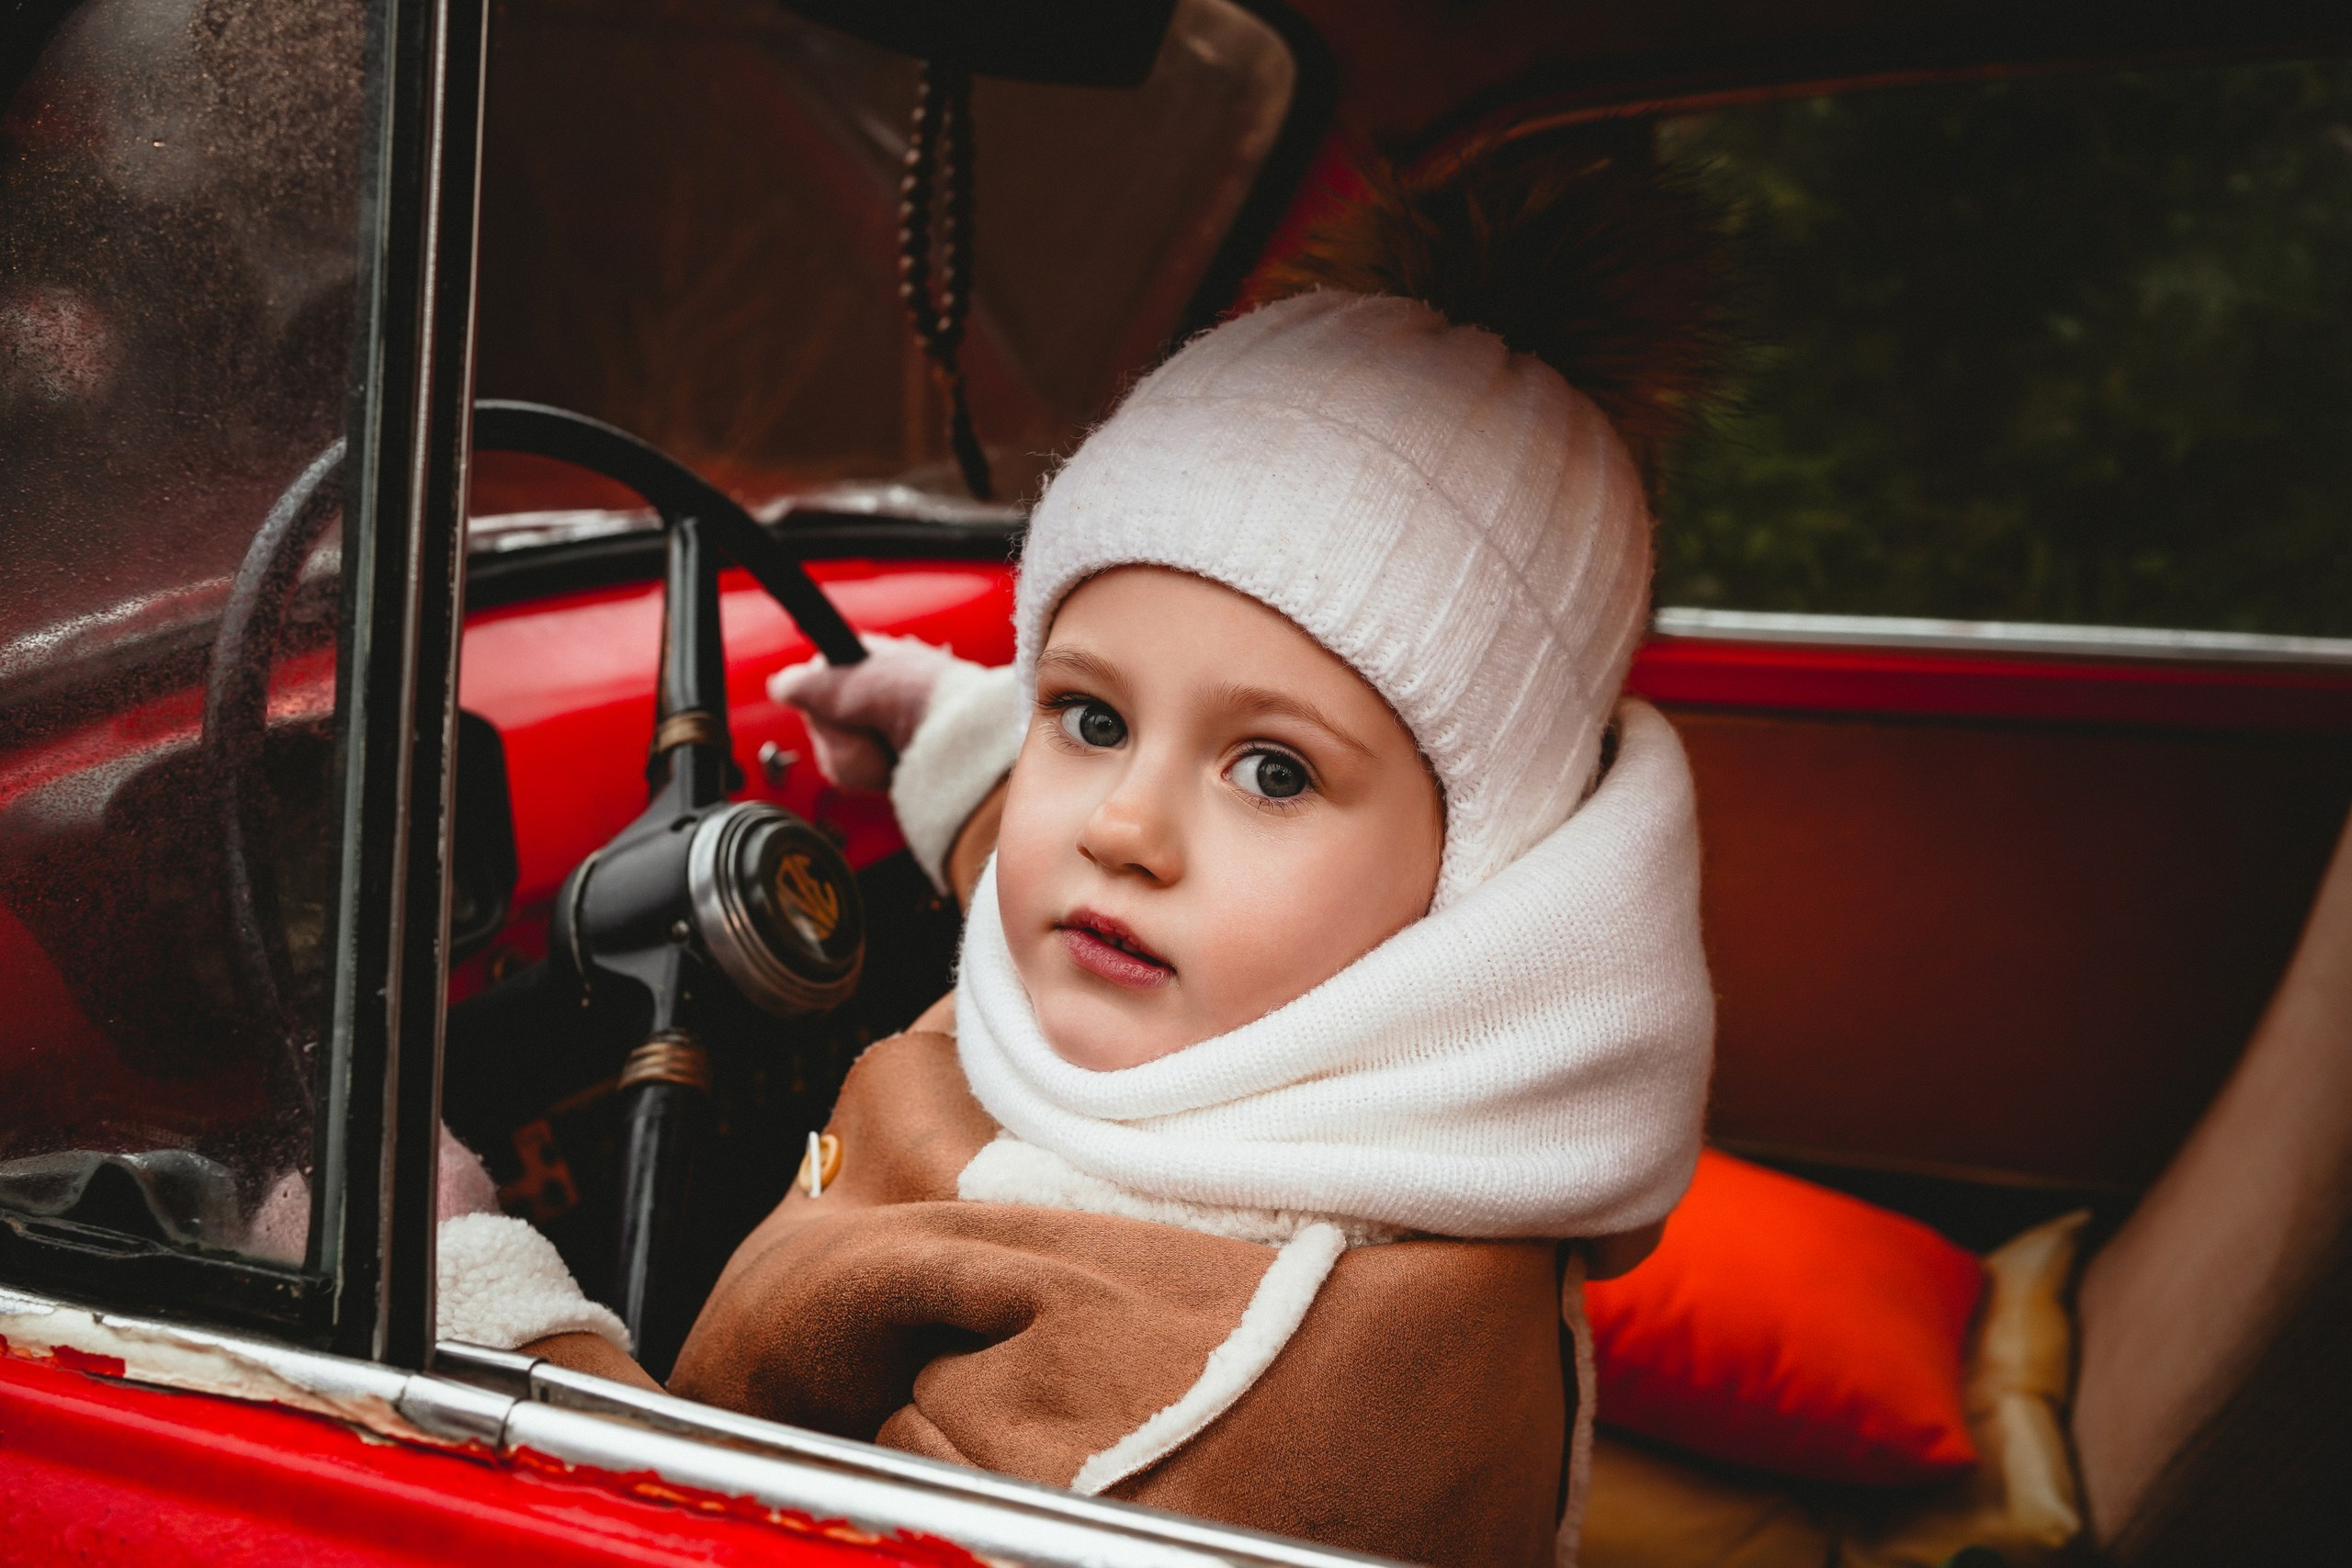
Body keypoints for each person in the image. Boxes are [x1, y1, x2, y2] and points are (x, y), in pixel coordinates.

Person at [661, 134, 1731, 1568]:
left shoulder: (1201, 1413)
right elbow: (1045, 850)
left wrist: (489, 1305)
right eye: (1092, 714)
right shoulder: (1276, 1019)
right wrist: (959, 741)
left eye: (1273, 770)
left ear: (1478, 889)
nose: (1120, 828)